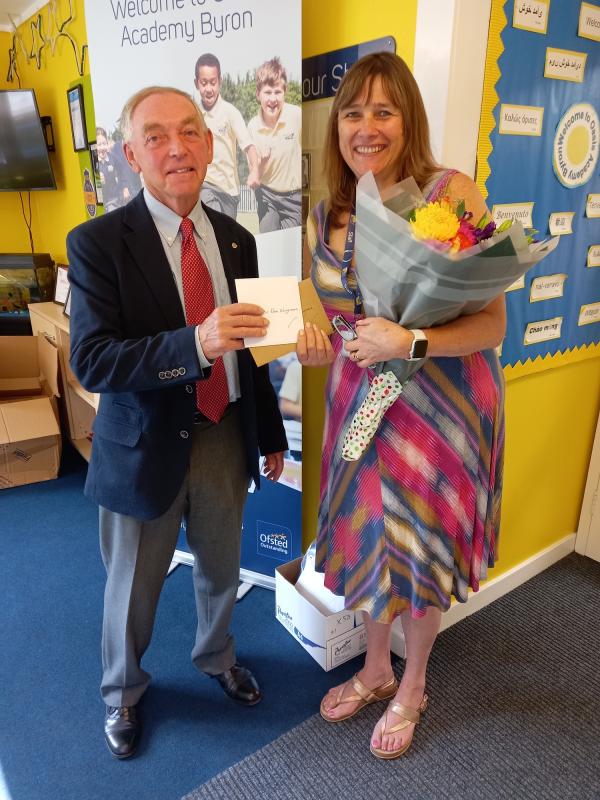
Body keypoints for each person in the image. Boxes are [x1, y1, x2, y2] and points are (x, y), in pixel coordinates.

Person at [67, 86, 287, 760]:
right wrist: (194, 344)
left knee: (222, 566)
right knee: (131, 586)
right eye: (156, 136)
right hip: (142, 446)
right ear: (133, 154)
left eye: (190, 131)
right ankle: (123, 693)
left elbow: (250, 348)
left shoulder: (238, 240)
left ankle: (216, 654)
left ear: (211, 144)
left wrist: (270, 432)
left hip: (224, 433)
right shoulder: (98, 243)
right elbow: (93, 360)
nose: (176, 147)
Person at [296, 52, 506, 760]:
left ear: (407, 117)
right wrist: (316, 347)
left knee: (419, 550)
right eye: (353, 112)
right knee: (367, 542)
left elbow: (494, 325)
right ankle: (375, 667)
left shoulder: (450, 194)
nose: (367, 126)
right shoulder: (328, 210)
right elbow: (335, 321)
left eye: (384, 111)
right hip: (361, 404)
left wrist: (410, 339)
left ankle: (414, 683)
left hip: (437, 408)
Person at [194, 53, 260, 219]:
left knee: (226, 240)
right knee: (213, 226)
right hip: (205, 185)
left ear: (220, 82)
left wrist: (254, 170)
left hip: (230, 190)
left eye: (213, 83)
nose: (208, 89)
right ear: (196, 84)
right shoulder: (193, 115)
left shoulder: (230, 113)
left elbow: (248, 146)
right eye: (204, 83)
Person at [248, 57, 302, 232]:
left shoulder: (297, 116)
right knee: (268, 244)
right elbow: (255, 177)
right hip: (267, 196)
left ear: (285, 92)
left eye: (277, 92)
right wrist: (261, 164)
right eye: (268, 92)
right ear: (258, 94)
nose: (273, 99)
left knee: (288, 250)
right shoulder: (253, 127)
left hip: (294, 198)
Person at [95, 126, 142, 211]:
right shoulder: (94, 163)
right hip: (103, 203)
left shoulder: (112, 158)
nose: (102, 148)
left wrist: (125, 187)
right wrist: (98, 181)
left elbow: (122, 171)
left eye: (104, 144)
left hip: (116, 199)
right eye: (99, 145)